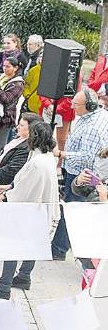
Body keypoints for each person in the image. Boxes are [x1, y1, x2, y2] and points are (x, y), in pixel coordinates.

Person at [0, 122, 60, 300]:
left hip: (30, 210)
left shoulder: (38, 163)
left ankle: (4, 286)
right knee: (33, 244)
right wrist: (11, 185)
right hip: (40, 208)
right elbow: (26, 182)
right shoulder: (46, 157)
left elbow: (26, 189)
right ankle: (24, 276)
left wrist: (7, 196)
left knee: (13, 245)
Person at [51, 88, 108, 260]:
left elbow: (87, 157)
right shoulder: (94, 115)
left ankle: (58, 250)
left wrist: (62, 154)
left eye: (76, 104)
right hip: (78, 173)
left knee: (71, 211)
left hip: (81, 175)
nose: (72, 107)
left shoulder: (93, 128)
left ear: (89, 105)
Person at [0, 112, 44, 189]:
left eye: (21, 125)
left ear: (32, 129)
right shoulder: (18, 138)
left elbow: (10, 172)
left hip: (1, 185)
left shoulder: (27, 148)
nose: (17, 127)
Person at [0, 57, 24, 160]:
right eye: (3, 66)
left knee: (1, 146)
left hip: (5, 118)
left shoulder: (18, 83)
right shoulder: (1, 77)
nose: (5, 68)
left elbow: (6, 99)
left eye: (8, 66)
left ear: (15, 68)